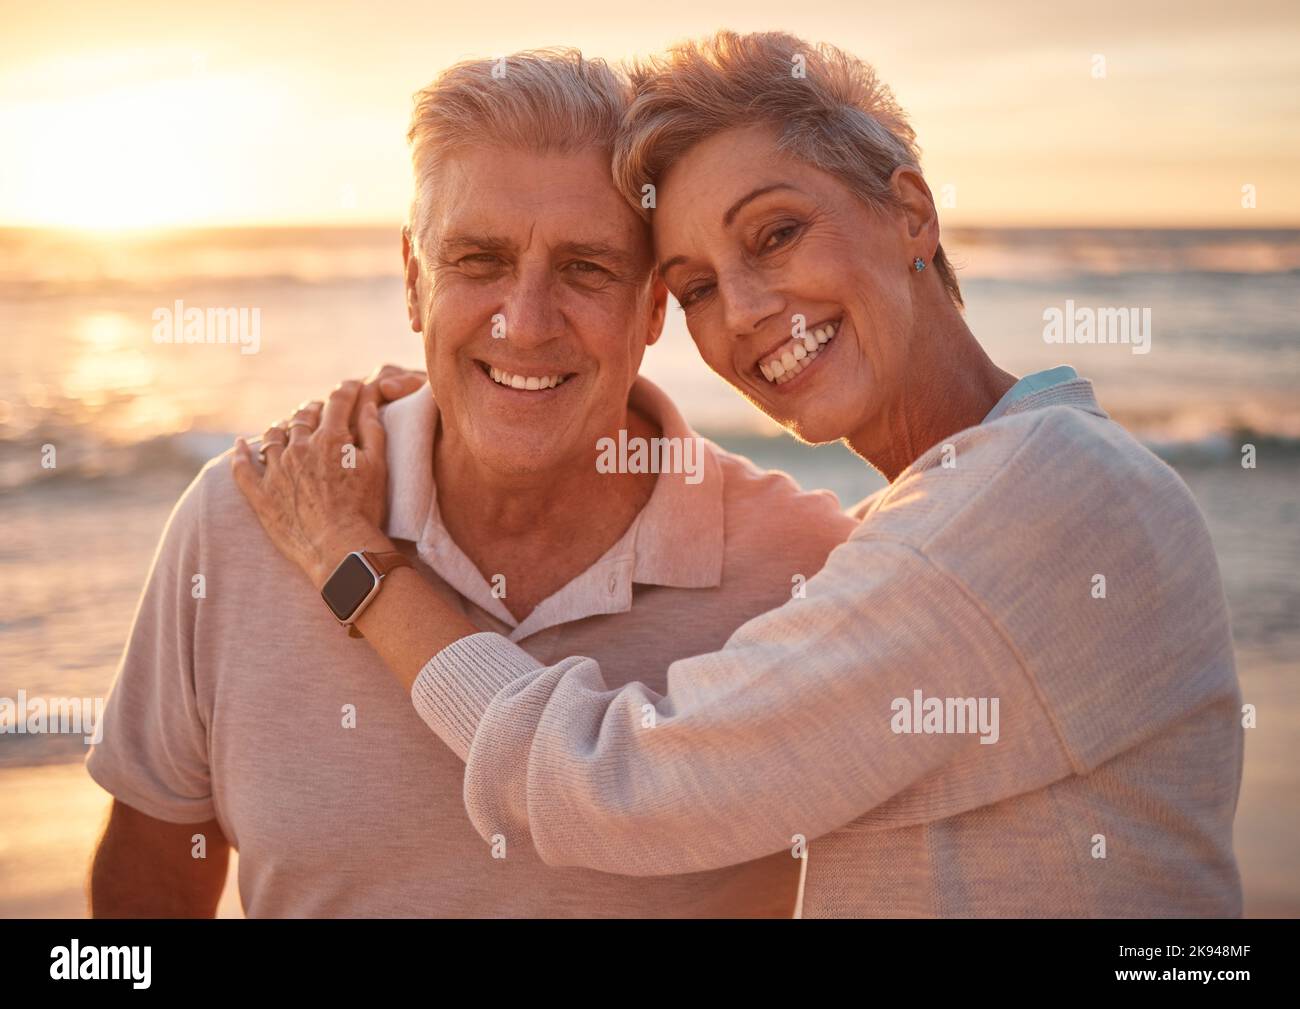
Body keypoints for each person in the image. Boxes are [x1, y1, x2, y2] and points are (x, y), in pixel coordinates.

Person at [237, 31, 1243, 917]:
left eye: (776, 233)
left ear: (911, 215)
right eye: (698, 286)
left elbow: (612, 787)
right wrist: (504, 393)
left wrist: (352, 560)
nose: (750, 308)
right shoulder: (997, 488)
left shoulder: (1031, 504)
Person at [85, 48, 857, 918]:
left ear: (650, 307)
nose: (525, 325)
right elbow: (145, 887)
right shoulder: (243, 519)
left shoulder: (811, 570)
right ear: (415, 282)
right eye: (479, 261)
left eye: (585, 268)